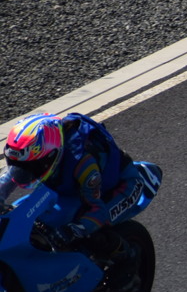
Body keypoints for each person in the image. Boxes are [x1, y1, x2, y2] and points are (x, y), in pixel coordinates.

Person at [0, 112, 143, 275]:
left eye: (30, 167)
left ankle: (127, 260)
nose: (23, 173)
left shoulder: (83, 164)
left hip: (120, 187)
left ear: (51, 155)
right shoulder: (31, 155)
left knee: (92, 233)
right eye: (16, 165)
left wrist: (73, 230)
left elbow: (98, 210)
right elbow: (7, 180)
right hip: (70, 191)